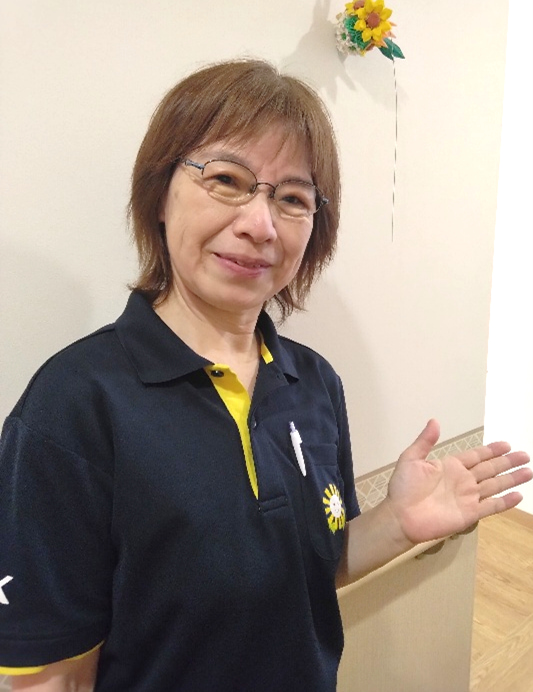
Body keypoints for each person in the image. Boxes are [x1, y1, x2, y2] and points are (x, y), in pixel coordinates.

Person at [0, 59, 530, 692]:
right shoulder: (73, 405)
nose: (260, 224)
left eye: (293, 198)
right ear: (160, 195)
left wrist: (395, 523)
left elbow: (309, 571)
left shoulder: (315, 382)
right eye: (226, 179)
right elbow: (50, 676)